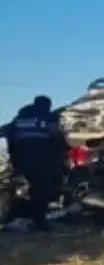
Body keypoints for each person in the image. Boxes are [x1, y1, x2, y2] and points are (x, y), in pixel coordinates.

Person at [4, 95, 69, 231]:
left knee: (25, 190)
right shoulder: (48, 117)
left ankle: (14, 217)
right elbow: (56, 134)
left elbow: (7, 132)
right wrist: (64, 149)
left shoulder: (20, 118)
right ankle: (39, 222)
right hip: (41, 161)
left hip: (20, 161)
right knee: (41, 191)